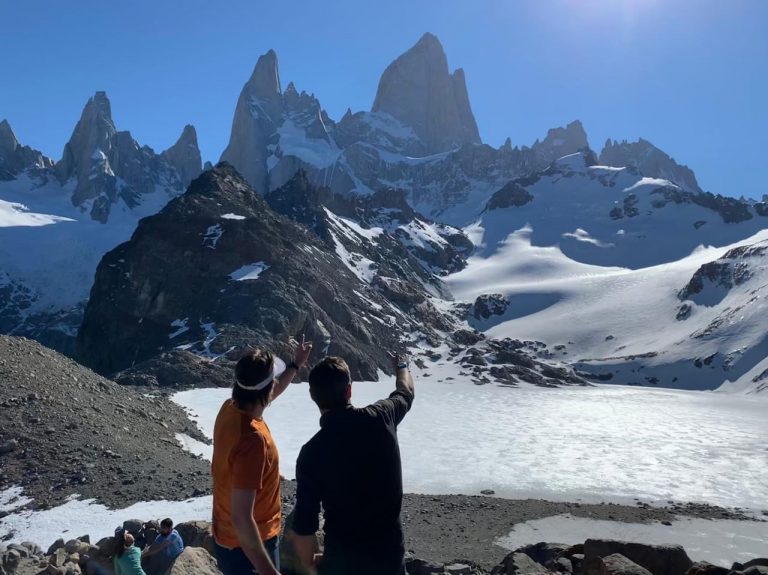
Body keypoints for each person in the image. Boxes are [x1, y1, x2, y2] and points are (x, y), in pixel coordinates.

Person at [292, 352, 415, 575]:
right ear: (349, 390)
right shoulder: (382, 417)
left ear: (313, 396)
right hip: (390, 560)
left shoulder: (311, 453)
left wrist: (312, 565)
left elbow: (304, 528)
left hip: (342, 564)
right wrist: (402, 366)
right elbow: (405, 392)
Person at [212, 338, 313, 575]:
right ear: (267, 388)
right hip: (249, 548)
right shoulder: (252, 441)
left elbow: (266, 393)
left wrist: (295, 365)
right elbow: (242, 517)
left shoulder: (230, 409)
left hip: (232, 541)